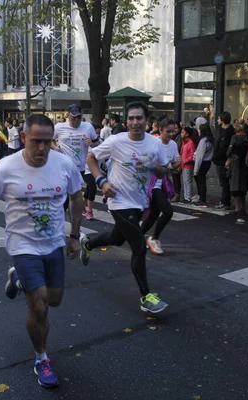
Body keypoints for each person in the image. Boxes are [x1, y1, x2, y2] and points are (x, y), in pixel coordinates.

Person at [0, 114, 83, 389]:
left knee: (54, 300)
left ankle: (18, 278)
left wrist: (74, 236)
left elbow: (76, 196)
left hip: (53, 243)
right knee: (39, 305)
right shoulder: (5, 168)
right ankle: (42, 357)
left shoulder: (64, 164)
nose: (43, 148)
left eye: (48, 142)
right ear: (24, 138)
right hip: (23, 245)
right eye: (36, 141)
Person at [80, 100, 169, 314]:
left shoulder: (155, 144)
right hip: (118, 200)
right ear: (126, 121)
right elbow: (91, 158)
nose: (135, 122)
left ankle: (88, 244)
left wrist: (153, 166)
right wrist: (102, 181)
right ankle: (146, 297)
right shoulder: (116, 141)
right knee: (138, 246)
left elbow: (164, 171)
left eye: (139, 118)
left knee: (117, 238)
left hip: (139, 202)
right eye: (131, 118)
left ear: (147, 121)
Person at [141, 118, 180, 255]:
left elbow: (173, 166)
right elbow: (147, 163)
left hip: (162, 182)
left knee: (154, 215)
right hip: (151, 183)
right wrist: (169, 165)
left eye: (173, 131)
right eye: (167, 131)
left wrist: (176, 164)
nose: (170, 134)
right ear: (161, 130)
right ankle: (154, 238)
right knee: (168, 212)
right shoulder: (154, 143)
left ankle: (137, 235)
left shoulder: (173, 144)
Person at [52, 104, 99, 209]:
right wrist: (55, 146)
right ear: (68, 115)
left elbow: (97, 143)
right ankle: (61, 219)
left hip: (79, 169)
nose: (77, 120)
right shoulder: (59, 127)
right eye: (74, 117)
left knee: (74, 197)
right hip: (63, 168)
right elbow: (50, 139)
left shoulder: (88, 127)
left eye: (79, 117)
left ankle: (74, 223)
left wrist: (91, 143)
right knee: (64, 197)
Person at [226, 123, 248, 224]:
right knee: (243, 186)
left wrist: (229, 156)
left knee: (235, 186)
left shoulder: (234, 137)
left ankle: (237, 207)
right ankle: (243, 207)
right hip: (245, 164)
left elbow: (229, 151)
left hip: (235, 163)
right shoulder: (247, 139)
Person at [213, 112, 234, 210]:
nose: (217, 121)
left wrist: (215, 157)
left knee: (224, 182)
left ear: (222, 120)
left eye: (218, 119)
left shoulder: (226, 132)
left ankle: (225, 202)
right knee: (224, 182)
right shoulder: (225, 130)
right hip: (222, 159)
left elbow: (223, 148)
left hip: (222, 160)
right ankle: (225, 201)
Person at [193, 123, 214, 207]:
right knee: (202, 180)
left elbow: (199, 156)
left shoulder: (203, 141)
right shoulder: (210, 140)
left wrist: (195, 170)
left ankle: (202, 199)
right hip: (208, 161)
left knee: (200, 180)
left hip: (202, 162)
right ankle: (202, 198)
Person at [179, 127, 195, 203]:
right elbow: (182, 153)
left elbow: (191, 156)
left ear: (187, 134)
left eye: (183, 132)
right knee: (184, 181)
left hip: (188, 166)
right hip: (183, 165)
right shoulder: (184, 143)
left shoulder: (190, 143)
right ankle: (186, 196)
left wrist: (184, 161)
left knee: (187, 181)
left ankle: (188, 197)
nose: (181, 134)